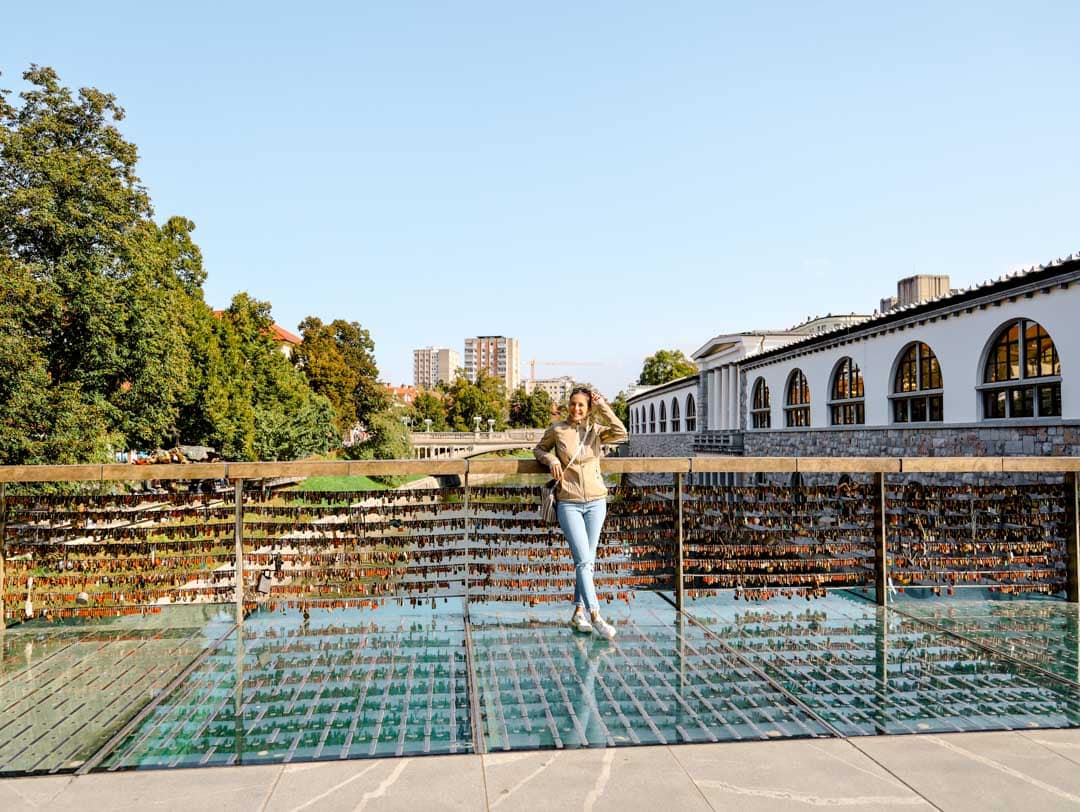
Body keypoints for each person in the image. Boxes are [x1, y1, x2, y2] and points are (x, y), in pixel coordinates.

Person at [533, 386, 628, 639]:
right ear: (568, 405)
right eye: (573, 404)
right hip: (569, 502)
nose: (576, 409)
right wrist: (552, 460)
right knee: (584, 561)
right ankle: (596, 615)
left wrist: (603, 406)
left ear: (588, 409)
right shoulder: (558, 430)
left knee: (587, 561)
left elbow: (622, 432)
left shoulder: (595, 432)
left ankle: (578, 612)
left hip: (597, 501)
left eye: (582, 405)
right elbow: (539, 449)